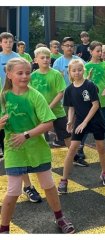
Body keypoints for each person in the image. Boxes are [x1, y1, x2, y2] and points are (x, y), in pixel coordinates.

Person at [0, 58, 75, 234]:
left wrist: (26, 135)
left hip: (37, 149)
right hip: (14, 149)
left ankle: (59, 217)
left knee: (48, 185)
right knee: (13, 191)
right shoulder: (3, 98)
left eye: (27, 72)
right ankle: (4, 229)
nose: (25, 76)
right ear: (9, 74)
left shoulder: (35, 96)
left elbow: (48, 123)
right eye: (20, 73)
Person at [57, 59, 105, 193]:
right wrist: (70, 121)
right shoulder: (69, 89)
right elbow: (71, 107)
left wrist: (85, 122)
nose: (77, 72)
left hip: (95, 121)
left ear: (84, 70)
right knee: (72, 150)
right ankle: (64, 180)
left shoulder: (90, 85)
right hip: (80, 122)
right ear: (69, 72)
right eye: (74, 70)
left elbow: (95, 105)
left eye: (79, 70)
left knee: (100, 148)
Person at [30, 46, 88, 167]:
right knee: (37, 135)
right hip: (38, 112)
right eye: (42, 58)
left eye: (48, 57)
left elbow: (61, 92)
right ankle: (36, 158)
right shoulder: (33, 76)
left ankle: (75, 157)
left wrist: (49, 107)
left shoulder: (56, 74)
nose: (46, 60)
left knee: (66, 135)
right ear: (36, 60)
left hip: (56, 111)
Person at [0, 32, 41, 203]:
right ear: (1, 43)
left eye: (11, 41)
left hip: (16, 102)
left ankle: (28, 186)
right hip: (3, 99)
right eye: (6, 41)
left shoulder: (18, 57)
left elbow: (25, 79)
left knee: (19, 143)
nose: (9, 43)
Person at [84, 41, 105, 152]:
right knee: (87, 123)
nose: (100, 53)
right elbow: (82, 83)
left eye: (101, 51)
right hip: (91, 101)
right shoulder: (86, 66)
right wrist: (88, 80)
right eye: (98, 51)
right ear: (91, 51)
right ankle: (80, 147)